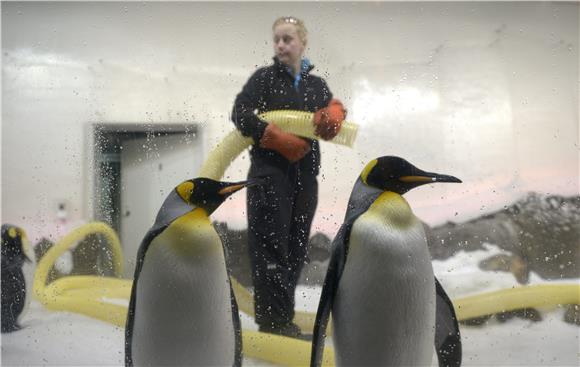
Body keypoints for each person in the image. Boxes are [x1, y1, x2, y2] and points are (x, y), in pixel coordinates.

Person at [231, 16, 346, 338]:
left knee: (296, 248)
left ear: (302, 43)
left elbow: (330, 127)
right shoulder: (264, 79)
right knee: (271, 247)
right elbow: (240, 113)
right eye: (277, 39)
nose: (281, 45)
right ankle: (273, 323)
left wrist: (336, 112)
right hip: (270, 175)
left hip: (306, 175)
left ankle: (283, 318)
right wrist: (272, 136)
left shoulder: (316, 85)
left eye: (287, 39)